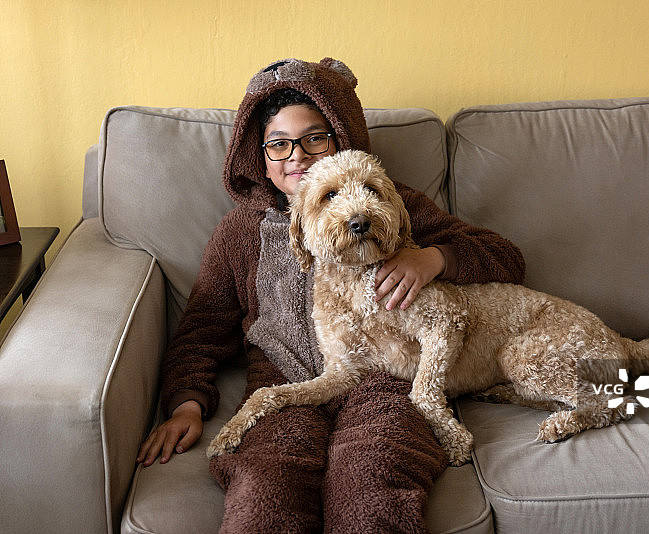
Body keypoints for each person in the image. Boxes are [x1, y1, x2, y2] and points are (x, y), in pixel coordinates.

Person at [137, 57, 525, 533]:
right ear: (259, 156)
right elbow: (204, 326)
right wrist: (187, 404)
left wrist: (433, 259)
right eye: (279, 144)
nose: (297, 156)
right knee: (263, 489)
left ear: (341, 137)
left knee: (373, 481)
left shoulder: (383, 200)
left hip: (385, 380)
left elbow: (503, 257)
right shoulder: (240, 232)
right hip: (285, 380)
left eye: (314, 138)